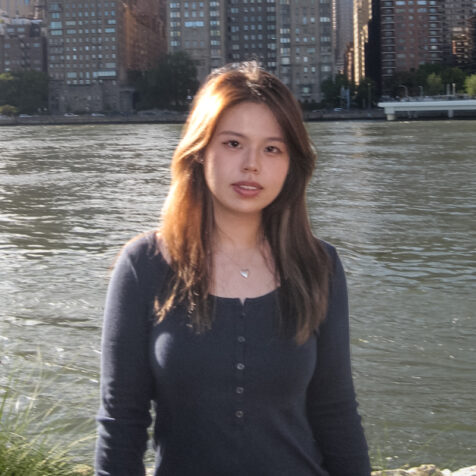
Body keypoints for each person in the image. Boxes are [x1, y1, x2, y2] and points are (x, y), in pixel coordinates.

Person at [95, 61, 371, 476]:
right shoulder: (144, 265)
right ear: (200, 150)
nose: (252, 165)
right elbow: (122, 423)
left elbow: (336, 412)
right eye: (233, 143)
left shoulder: (319, 266)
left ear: (291, 164)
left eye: (272, 148)